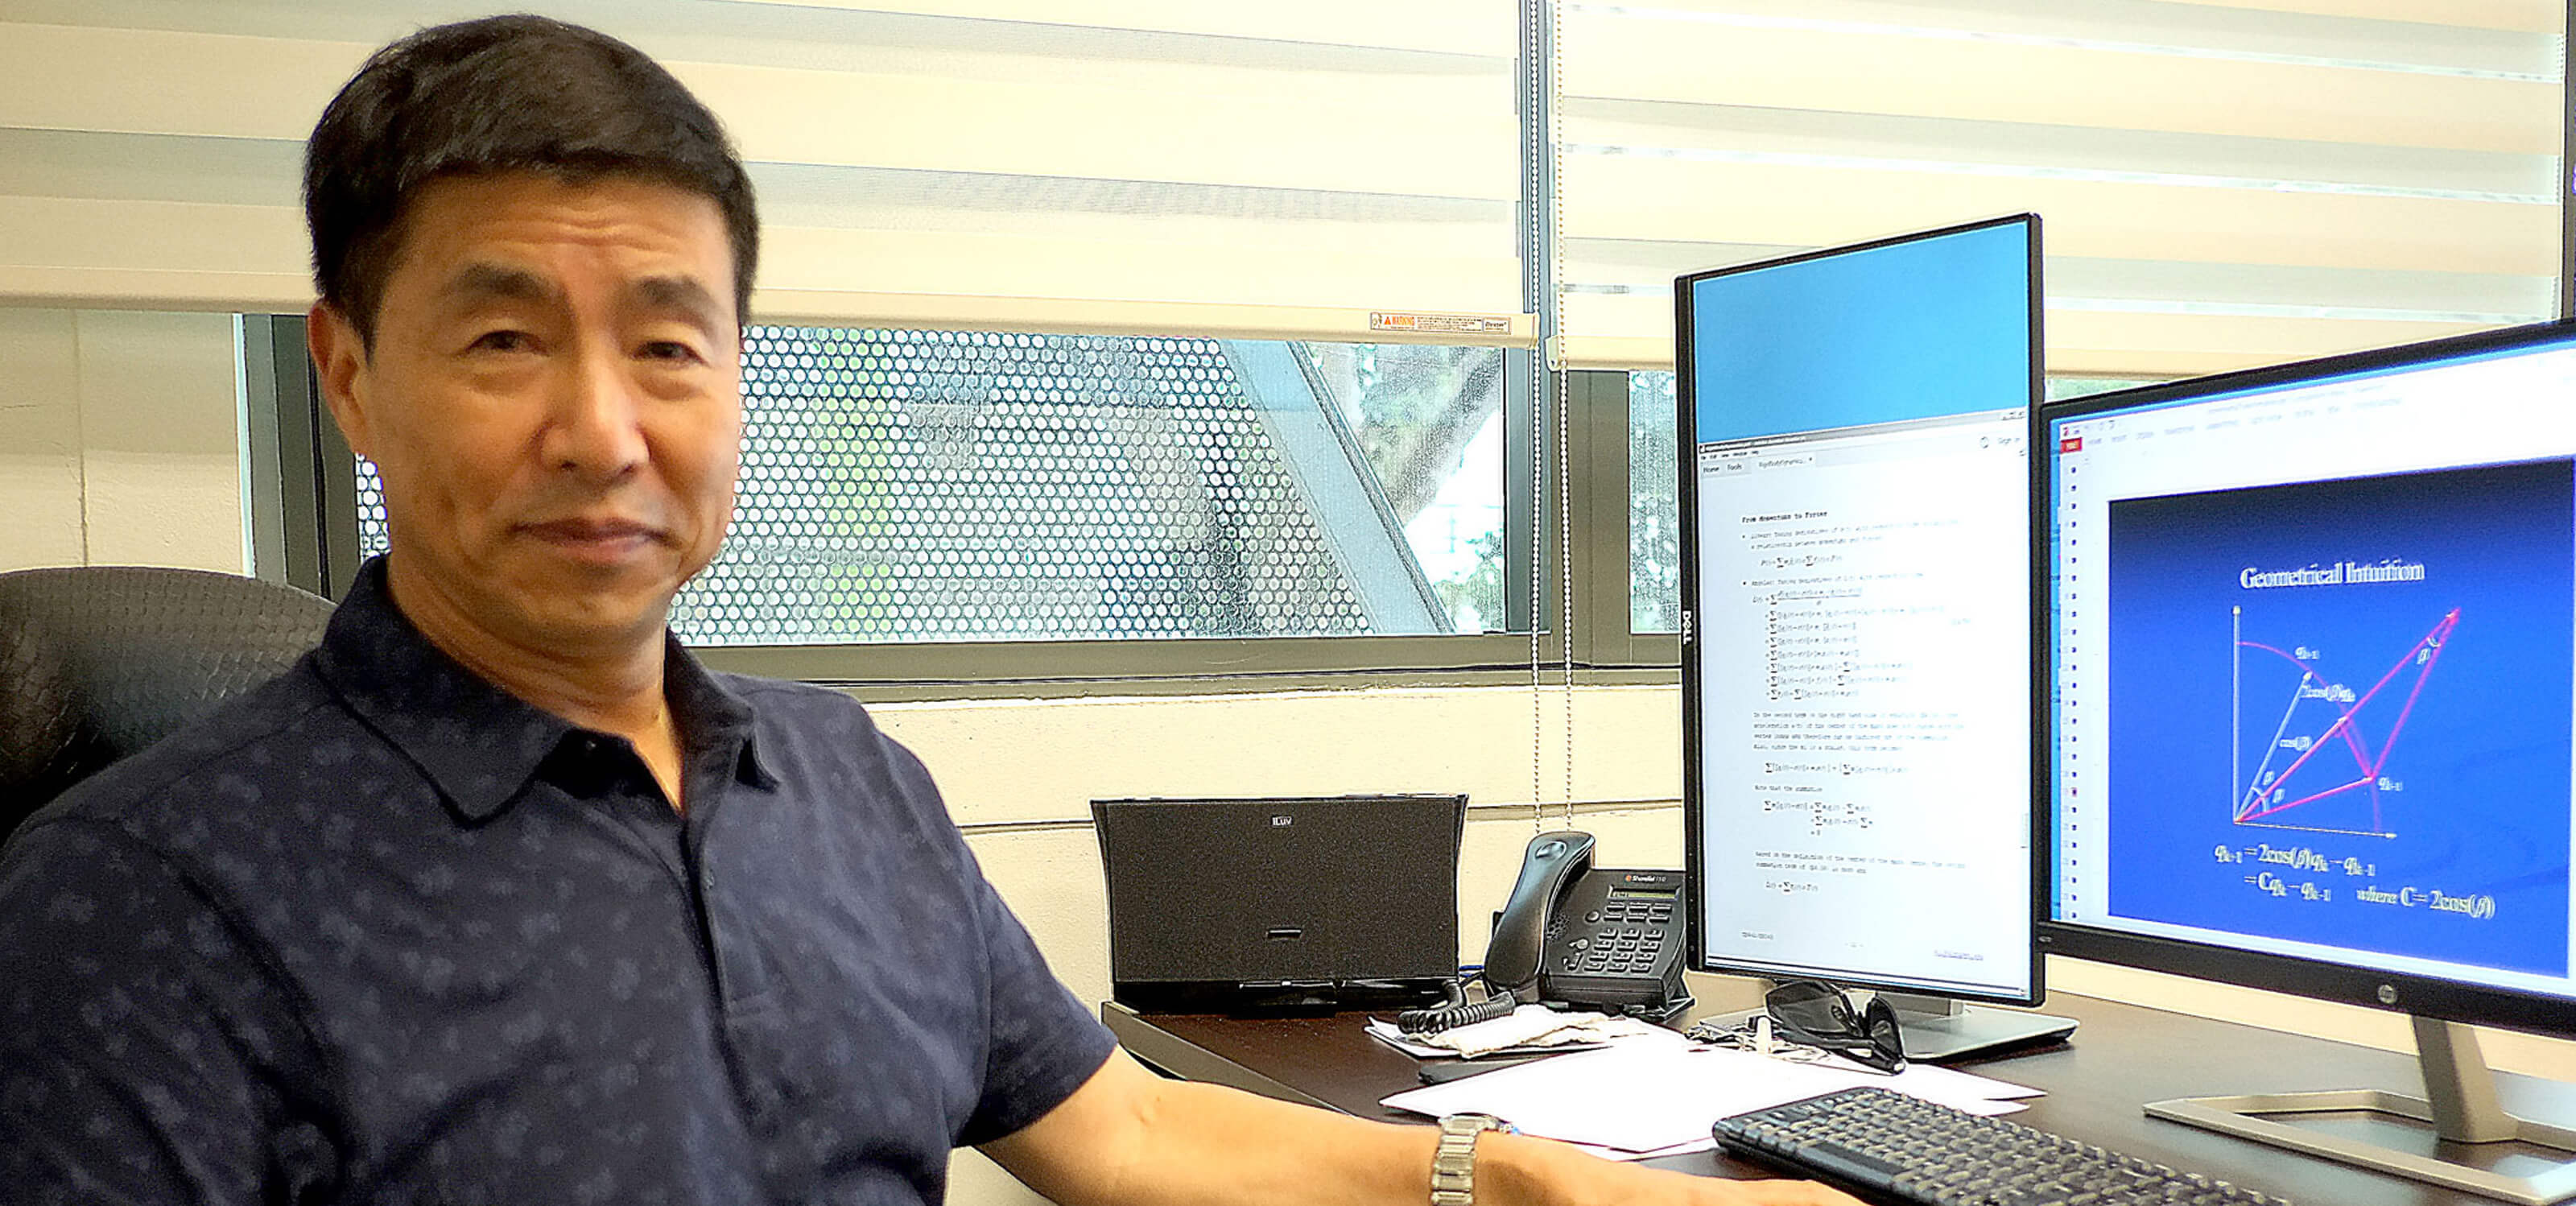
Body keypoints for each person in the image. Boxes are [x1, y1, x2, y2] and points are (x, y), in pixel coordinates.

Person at [0, 15, 1853, 1206]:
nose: (600, 426)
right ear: (346, 376)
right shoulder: (136, 907)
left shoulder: (841, 778)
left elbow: (1120, 1127)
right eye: (501, 338)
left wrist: (1517, 1177)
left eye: (667, 340)